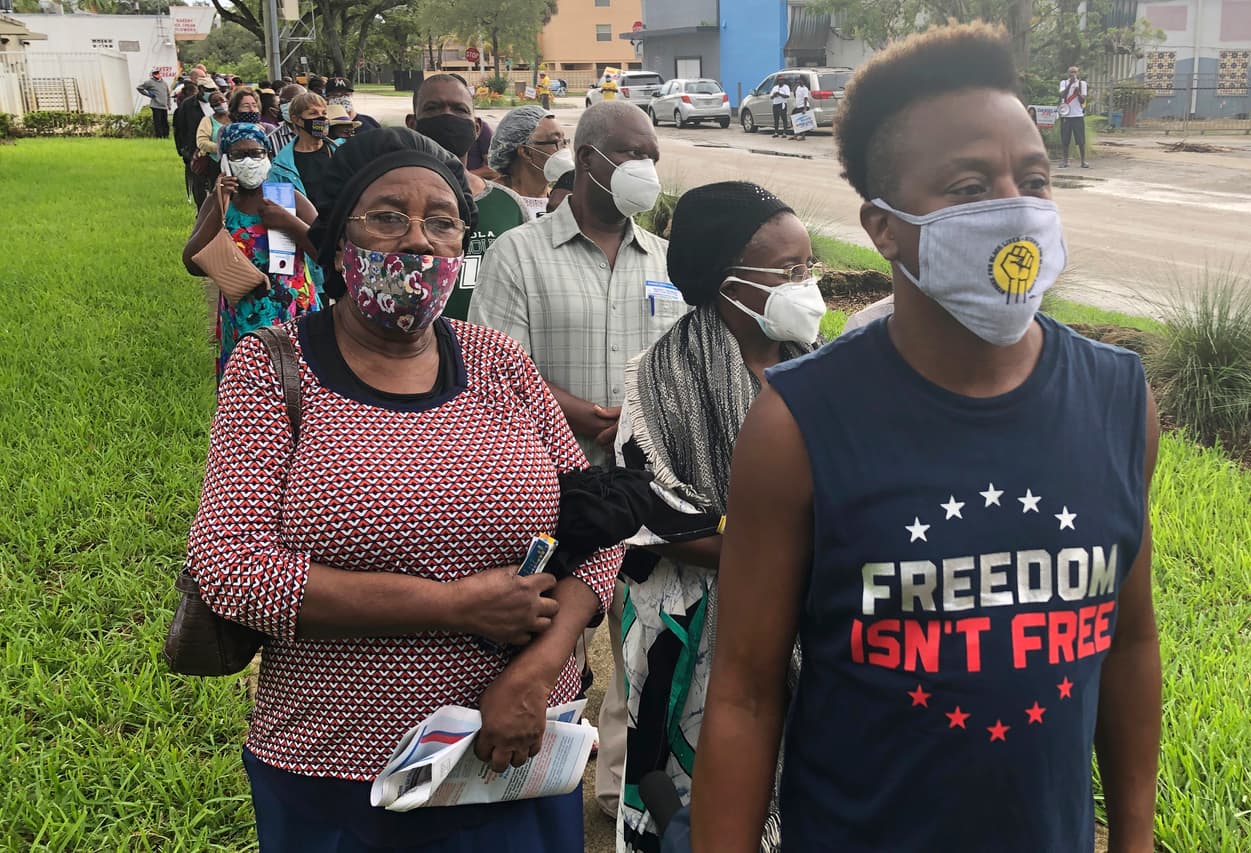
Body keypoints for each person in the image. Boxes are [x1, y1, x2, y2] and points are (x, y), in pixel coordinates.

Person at [691, 21, 1160, 853]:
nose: (1015, 209)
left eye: (1034, 179)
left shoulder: (1120, 401)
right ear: (884, 227)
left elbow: (1128, 641)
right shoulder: (798, 426)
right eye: (970, 186)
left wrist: (1133, 837)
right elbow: (746, 694)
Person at [184, 126, 624, 853]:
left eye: (441, 222)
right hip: (337, 768)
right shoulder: (273, 369)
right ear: (338, 242)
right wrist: (455, 605)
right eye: (387, 217)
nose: (418, 241)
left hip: (513, 753)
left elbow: (598, 520)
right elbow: (231, 568)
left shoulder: (499, 360)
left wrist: (537, 669)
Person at [470, 100, 683, 823]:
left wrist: (647, 413)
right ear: (587, 160)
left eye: (652, 155)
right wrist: (580, 413)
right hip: (552, 495)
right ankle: (528, 775)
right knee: (551, 645)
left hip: (648, 492)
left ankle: (618, 792)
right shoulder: (519, 255)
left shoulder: (666, 260)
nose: (644, 168)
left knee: (645, 648)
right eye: (631, 153)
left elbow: (682, 363)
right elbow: (497, 366)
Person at [614, 182, 823, 853]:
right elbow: (655, 511)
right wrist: (789, 554)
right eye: (789, 271)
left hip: (816, 621)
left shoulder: (825, 371)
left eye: (810, 267)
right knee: (701, 802)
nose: (807, 285)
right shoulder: (660, 379)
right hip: (698, 631)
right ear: (729, 283)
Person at [182, 123, 322, 378]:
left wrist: (288, 222)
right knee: (248, 384)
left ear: (268, 156)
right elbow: (191, 263)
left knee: (298, 381)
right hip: (243, 316)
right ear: (225, 160)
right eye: (239, 155)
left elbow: (325, 252)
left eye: (256, 153)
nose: (249, 161)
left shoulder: (288, 197)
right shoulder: (218, 203)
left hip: (293, 311)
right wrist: (219, 207)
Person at [408, 73, 529, 321]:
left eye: (459, 109)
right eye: (433, 108)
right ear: (412, 124)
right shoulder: (392, 205)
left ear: (476, 127)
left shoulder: (508, 205)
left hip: (491, 342)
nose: (447, 116)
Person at [266, 91, 341, 295]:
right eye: (313, 113)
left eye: (324, 113)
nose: (321, 118)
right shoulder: (281, 168)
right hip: (307, 252)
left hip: (340, 244)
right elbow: (278, 218)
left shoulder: (340, 154)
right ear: (297, 120)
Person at [488, 105, 567, 218]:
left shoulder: (563, 202)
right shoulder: (488, 201)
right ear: (526, 152)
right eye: (555, 141)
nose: (564, 149)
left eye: (564, 141)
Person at [191, 90, 232, 210]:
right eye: (215, 102)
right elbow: (201, 142)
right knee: (218, 193)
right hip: (216, 163)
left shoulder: (235, 118)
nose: (220, 103)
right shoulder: (207, 121)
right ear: (211, 106)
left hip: (235, 161)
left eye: (221, 100)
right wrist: (221, 148)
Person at [174, 79, 205, 201]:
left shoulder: (209, 105)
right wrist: (183, 150)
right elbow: (180, 130)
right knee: (195, 179)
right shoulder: (186, 106)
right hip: (191, 149)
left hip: (201, 149)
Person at [1059, 65, 1089, 168]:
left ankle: (1083, 161)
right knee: (1065, 139)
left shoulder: (1082, 84)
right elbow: (1062, 95)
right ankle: (1065, 161)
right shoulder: (1064, 83)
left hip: (1077, 115)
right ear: (1068, 73)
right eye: (1071, 72)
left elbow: (1082, 100)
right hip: (1066, 115)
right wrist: (1070, 85)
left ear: (1078, 73)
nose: (1073, 74)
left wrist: (1078, 93)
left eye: (1075, 72)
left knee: (1081, 140)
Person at [265, 82, 304, 157]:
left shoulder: (318, 130)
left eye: (295, 101)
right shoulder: (271, 140)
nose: (289, 105)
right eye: (284, 102)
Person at [137, 68, 171, 138]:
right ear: (152, 75)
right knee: (158, 123)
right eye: (155, 73)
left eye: (157, 73)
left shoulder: (164, 83)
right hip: (156, 106)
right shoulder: (149, 82)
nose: (157, 74)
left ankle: (166, 136)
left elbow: (168, 94)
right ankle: (159, 136)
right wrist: (148, 95)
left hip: (164, 106)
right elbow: (139, 88)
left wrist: (169, 104)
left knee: (165, 122)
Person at [790, 77, 812, 141]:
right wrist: (794, 89)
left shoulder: (805, 89)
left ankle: (803, 136)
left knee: (802, 122)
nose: (799, 81)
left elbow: (805, 98)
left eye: (800, 80)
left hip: (803, 106)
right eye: (798, 80)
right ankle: (796, 135)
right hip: (798, 106)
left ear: (803, 81)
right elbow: (795, 96)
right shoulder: (798, 88)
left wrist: (804, 109)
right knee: (795, 120)